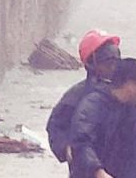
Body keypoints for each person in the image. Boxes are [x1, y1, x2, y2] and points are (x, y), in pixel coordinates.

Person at [47, 30, 121, 163]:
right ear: (92, 63)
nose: (113, 68)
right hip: (86, 170)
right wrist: (65, 148)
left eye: (116, 63)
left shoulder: (125, 92)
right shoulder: (76, 96)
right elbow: (56, 125)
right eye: (108, 64)